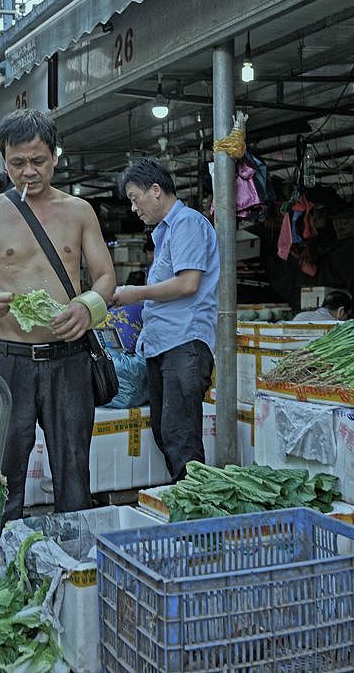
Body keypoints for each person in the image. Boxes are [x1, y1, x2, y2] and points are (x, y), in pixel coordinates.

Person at [0, 108, 115, 521]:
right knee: (4, 475)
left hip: (70, 360)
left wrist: (87, 307)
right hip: (9, 359)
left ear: (55, 156)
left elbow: (105, 277)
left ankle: (73, 551)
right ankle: (1, 552)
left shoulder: (79, 211)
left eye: (38, 160)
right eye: (17, 163)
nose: (28, 172)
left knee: (74, 471)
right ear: (3, 160)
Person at [112, 157, 219, 482]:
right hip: (163, 344)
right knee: (165, 429)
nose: (134, 208)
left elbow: (188, 284)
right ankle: (185, 496)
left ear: (156, 190)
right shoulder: (164, 233)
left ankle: (195, 503)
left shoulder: (187, 223)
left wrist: (136, 293)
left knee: (180, 434)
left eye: (135, 198)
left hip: (184, 343)